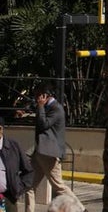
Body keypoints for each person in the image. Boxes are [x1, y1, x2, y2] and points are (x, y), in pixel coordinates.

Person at [21, 84, 75, 212]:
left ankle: (81, 209)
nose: (36, 98)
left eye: (37, 95)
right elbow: (39, 117)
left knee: (59, 186)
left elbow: (43, 124)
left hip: (49, 153)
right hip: (40, 152)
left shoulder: (56, 108)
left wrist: (40, 106)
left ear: (45, 95)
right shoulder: (47, 107)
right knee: (30, 185)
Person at [0, 116, 34, 212]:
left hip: (7, 199)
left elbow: (28, 171)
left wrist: (18, 188)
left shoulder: (13, 147)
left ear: (1, 129)